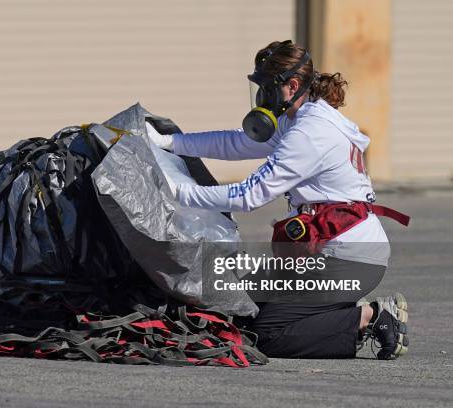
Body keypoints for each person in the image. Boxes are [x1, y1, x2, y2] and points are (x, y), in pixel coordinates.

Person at [147, 40, 409, 360]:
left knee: (268, 335)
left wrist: (177, 193)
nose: (262, 97)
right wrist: (169, 142)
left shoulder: (311, 132)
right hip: (327, 251)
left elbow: (248, 195)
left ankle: (371, 316)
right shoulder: (301, 118)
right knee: (241, 302)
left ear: (292, 85)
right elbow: (237, 143)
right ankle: (330, 314)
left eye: (267, 87)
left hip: (350, 260)